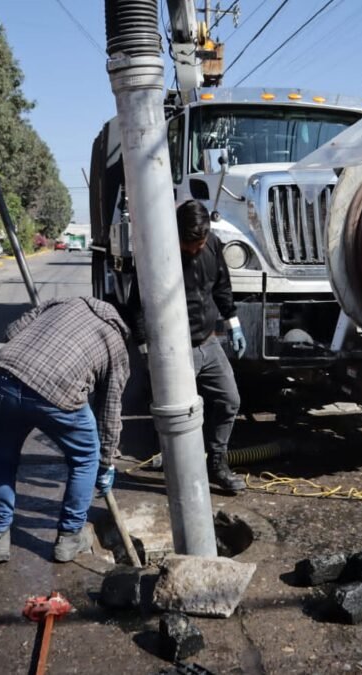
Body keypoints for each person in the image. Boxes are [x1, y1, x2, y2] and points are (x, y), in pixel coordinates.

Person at [0, 296, 130, 564]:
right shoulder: (116, 342)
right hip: (57, 391)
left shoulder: (64, 302)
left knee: (3, 457)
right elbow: (109, 410)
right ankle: (68, 538)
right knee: (86, 458)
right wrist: (106, 462)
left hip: (4, 377)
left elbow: (11, 332)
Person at [128, 200, 248, 495]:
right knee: (177, 416)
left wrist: (233, 323)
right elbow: (137, 306)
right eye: (189, 244)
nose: (195, 250)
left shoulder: (213, 245)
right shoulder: (157, 256)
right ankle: (177, 471)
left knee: (229, 401)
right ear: (175, 234)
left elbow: (221, 286)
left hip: (208, 342)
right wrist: (146, 351)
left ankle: (217, 465)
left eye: (200, 243)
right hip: (175, 350)